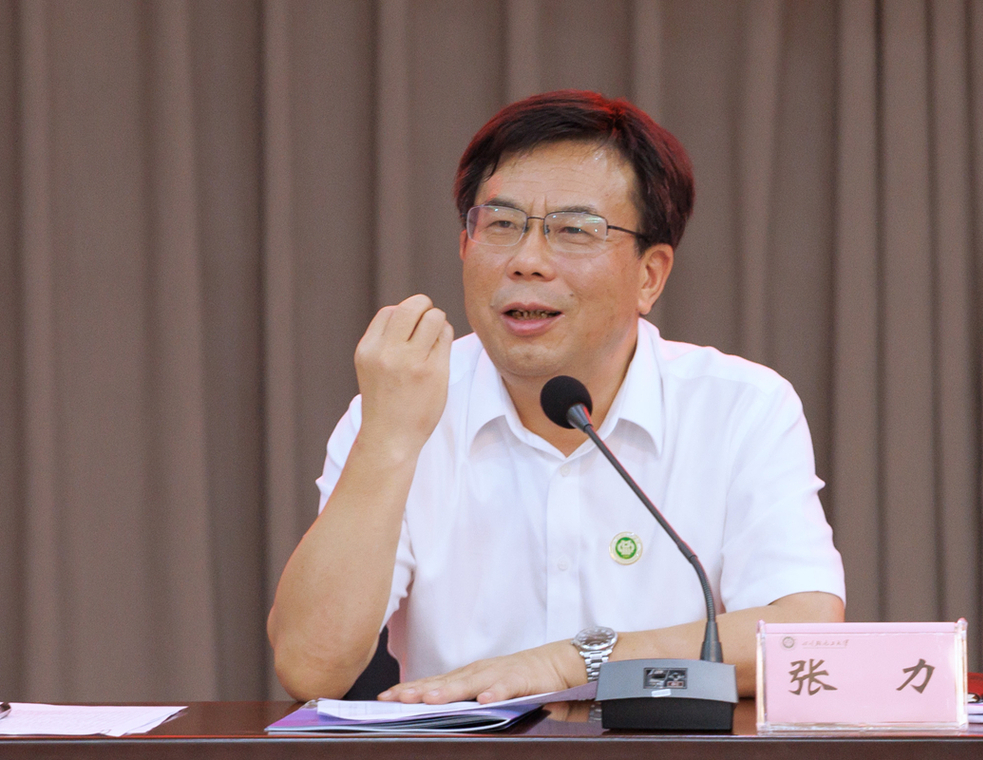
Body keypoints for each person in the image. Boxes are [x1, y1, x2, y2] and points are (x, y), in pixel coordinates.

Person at [267, 90, 845, 705]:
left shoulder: (739, 408)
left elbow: (803, 634)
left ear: (649, 275)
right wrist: (388, 439)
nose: (527, 261)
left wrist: (571, 662)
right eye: (502, 224)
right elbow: (311, 668)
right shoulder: (402, 406)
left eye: (574, 230)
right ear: (465, 245)